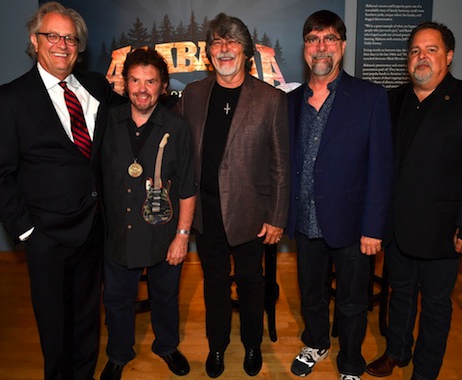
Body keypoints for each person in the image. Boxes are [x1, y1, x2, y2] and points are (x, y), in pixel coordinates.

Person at [0, 2, 122, 379]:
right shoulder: (9, 99)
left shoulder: (95, 87)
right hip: (47, 237)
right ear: (35, 40)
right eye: (53, 36)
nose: (62, 44)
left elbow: (135, 110)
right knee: (56, 328)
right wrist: (27, 231)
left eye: (70, 38)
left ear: (79, 46)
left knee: (88, 319)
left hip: (93, 228)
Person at [365, 22, 462, 380]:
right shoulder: (391, 100)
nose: (421, 57)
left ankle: (425, 372)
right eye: (414, 50)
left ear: (449, 56)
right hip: (397, 226)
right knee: (400, 295)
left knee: (436, 307)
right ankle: (397, 351)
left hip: (443, 230)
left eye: (431, 50)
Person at [175, 12, 289, 378]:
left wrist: (276, 216)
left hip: (252, 215)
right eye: (217, 43)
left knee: (252, 285)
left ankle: (253, 344)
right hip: (206, 213)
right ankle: (218, 347)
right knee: (215, 286)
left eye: (232, 42)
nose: (224, 49)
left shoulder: (270, 100)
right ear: (209, 53)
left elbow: (281, 166)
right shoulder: (192, 95)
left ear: (246, 51)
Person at [286, 10, 394, 380]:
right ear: (305, 48)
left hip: (353, 225)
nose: (321, 47)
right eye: (313, 39)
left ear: (343, 46)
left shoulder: (371, 97)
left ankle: (350, 362)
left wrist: (373, 228)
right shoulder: (290, 101)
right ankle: (316, 342)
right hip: (304, 220)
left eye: (329, 39)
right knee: (310, 294)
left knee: (351, 301)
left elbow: (381, 169)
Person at [99, 48, 196, 379]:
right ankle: (118, 353)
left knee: (165, 296)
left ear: (164, 86)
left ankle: (167, 346)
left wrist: (182, 237)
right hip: (116, 233)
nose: (142, 88)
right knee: (116, 299)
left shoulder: (178, 128)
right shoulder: (106, 122)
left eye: (150, 81)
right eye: (135, 80)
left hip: (162, 234)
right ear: (125, 83)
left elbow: (187, 187)